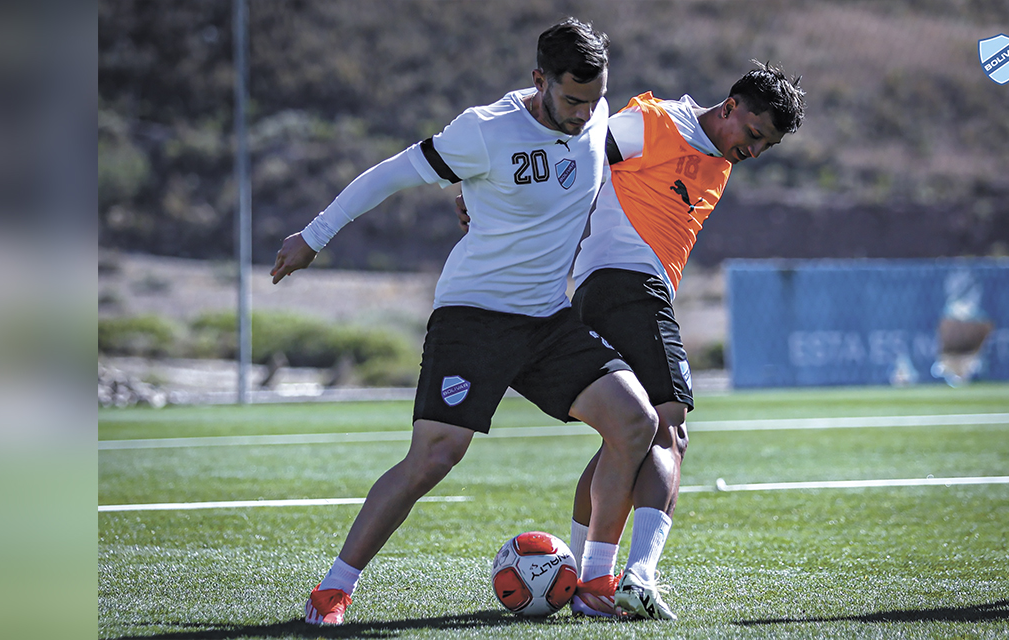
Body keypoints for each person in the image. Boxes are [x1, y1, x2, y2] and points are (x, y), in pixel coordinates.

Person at [271, 18, 658, 626]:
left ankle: (595, 583)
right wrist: (314, 237)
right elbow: (390, 174)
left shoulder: (599, 111)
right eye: (572, 99)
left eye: (593, 99)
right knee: (435, 455)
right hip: (474, 317)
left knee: (636, 421)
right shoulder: (484, 131)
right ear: (540, 80)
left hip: (548, 320)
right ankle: (333, 590)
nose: (585, 113)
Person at [457, 61, 805, 620]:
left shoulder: (716, 157)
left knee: (629, 438)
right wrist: (489, 202)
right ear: (732, 106)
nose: (755, 151)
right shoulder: (658, 122)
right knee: (671, 429)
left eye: (767, 147)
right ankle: (633, 578)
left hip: (619, 288)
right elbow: (577, 156)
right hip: (628, 285)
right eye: (755, 135)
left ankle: (578, 580)